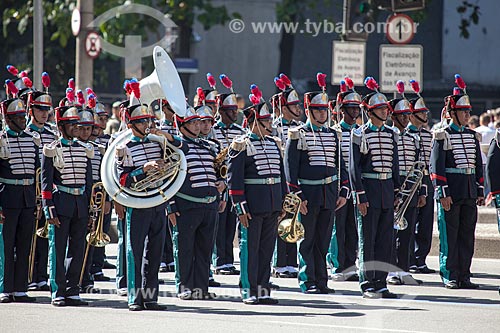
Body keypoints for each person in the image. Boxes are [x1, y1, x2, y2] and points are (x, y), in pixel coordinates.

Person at [286, 73, 348, 294]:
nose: (323, 113)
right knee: (307, 241)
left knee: (323, 241)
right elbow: (290, 170)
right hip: (308, 194)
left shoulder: (333, 135)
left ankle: (322, 280)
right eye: (319, 110)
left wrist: (343, 191)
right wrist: (298, 196)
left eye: (325, 110)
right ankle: (307, 281)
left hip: (329, 193)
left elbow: (341, 165)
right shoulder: (298, 135)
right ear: (309, 111)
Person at [116, 101, 181, 311]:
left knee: (155, 251)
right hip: (138, 201)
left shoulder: (157, 142)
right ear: (131, 124)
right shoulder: (124, 148)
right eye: (142, 121)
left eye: (148, 120)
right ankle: (135, 298)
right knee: (134, 250)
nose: (147, 125)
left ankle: (151, 296)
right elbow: (121, 179)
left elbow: (183, 147)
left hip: (158, 201)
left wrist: (165, 138)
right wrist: (143, 169)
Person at [228, 85, 287, 304]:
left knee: (265, 251)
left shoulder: (273, 143)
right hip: (251, 206)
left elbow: (280, 175)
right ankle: (248, 290)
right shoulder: (241, 145)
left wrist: (282, 203)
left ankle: (263, 289)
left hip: (271, 204)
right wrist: (240, 208)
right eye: (266, 122)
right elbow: (234, 181)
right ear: (254, 123)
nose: (270, 126)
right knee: (249, 250)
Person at [430, 75, 484, 289]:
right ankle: (450, 273)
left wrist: (479, 189)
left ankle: (464, 274)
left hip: (469, 191)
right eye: (464, 111)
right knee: (449, 236)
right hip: (451, 192)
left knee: (466, 236)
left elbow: (478, 165)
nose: (468, 115)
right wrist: (443, 193)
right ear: (453, 113)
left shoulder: (472, 136)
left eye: (468, 111)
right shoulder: (442, 136)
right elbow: (436, 167)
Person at [350, 77, 400, 299]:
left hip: (387, 191)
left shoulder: (392, 134)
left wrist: (397, 192)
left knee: (384, 240)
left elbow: (395, 166)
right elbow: (354, 168)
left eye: (385, 108)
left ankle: (381, 282)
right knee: (367, 239)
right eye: (380, 109)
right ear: (370, 112)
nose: (385, 112)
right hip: (368, 191)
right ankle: (367, 284)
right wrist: (360, 196)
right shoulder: (360, 134)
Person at [168, 105, 223, 300]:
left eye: (199, 122)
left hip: (209, 205)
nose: (199, 125)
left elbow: (218, 173)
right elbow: (169, 181)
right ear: (182, 126)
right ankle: (184, 286)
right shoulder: (175, 147)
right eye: (193, 122)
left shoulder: (209, 146)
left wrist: (222, 189)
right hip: (186, 206)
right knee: (184, 248)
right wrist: (171, 207)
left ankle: (201, 288)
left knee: (205, 249)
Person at [42, 104, 94, 307]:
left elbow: (88, 183)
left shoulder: (85, 149)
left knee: (78, 248)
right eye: (71, 124)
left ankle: (73, 290)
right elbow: (46, 183)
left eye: (76, 123)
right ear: (61, 126)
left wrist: (90, 209)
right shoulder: (52, 149)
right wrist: (49, 208)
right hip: (61, 203)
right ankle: (57, 291)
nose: (75, 127)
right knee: (58, 248)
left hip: (80, 203)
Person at [0, 93, 40, 303]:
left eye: (23, 117)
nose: (23, 121)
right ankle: (5, 288)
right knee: (6, 245)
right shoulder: (1, 140)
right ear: (8, 120)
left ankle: (21, 288)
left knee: (25, 244)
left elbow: (38, 170)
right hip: (7, 197)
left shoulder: (31, 140)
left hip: (27, 198)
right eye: (18, 118)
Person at [386, 84, 424, 286]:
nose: (406, 118)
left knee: (407, 231)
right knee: (391, 232)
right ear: (393, 116)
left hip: (410, 187)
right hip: (395, 186)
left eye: (407, 115)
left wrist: (421, 191)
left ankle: (403, 269)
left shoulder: (413, 138)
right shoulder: (389, 135)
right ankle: (391, 270)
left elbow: (420, 166)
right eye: (402, 115)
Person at [22, 87, 57, 292]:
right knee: (26, 237)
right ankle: (27, 276)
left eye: (47, 109)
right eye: (39, 109)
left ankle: (42, 276)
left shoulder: (53, 134)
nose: (44, 113)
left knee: (45, 236)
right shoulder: (25, 134)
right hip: (27, 193)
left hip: (47, 193)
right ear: (31, 110)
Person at [212, 74, 246, 275]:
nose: (235, 113)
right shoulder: (212, 130)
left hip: (232, 182)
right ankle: (219, 260)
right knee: (218, 223)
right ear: (222, 111)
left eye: (236, 110)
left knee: (231, 223)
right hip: (217, 182)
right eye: (231, 110)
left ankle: (228, 261)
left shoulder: (240, 131)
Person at [327, 78, 361, 282]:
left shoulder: (360, 132)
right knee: (337, 227)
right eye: (351, 108)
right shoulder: (335, 132)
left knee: (353, 227)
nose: (355, 111)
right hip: (340, 185)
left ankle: (350, 263)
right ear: (342, 109)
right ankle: (337, 265)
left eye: (357, 108)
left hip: (356, 185)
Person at [270, 73, 302, 279]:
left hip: (294, 178)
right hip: (279, 177)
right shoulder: (274, 127)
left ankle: (291, 261)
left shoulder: (299, 128)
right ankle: (279, 262)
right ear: (283, 107)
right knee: (280, 216)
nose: (298, 109)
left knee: (294, 217)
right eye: (293, 105)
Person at [407, 80, 436, 274]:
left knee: (425, 223)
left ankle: (421, 259)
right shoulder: (403, 135)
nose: (425, 115)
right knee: (409, 222)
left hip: (426, 179)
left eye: (425, 112)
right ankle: (408, 258)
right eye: (422, 113)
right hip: (410, 180)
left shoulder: (428, 135)